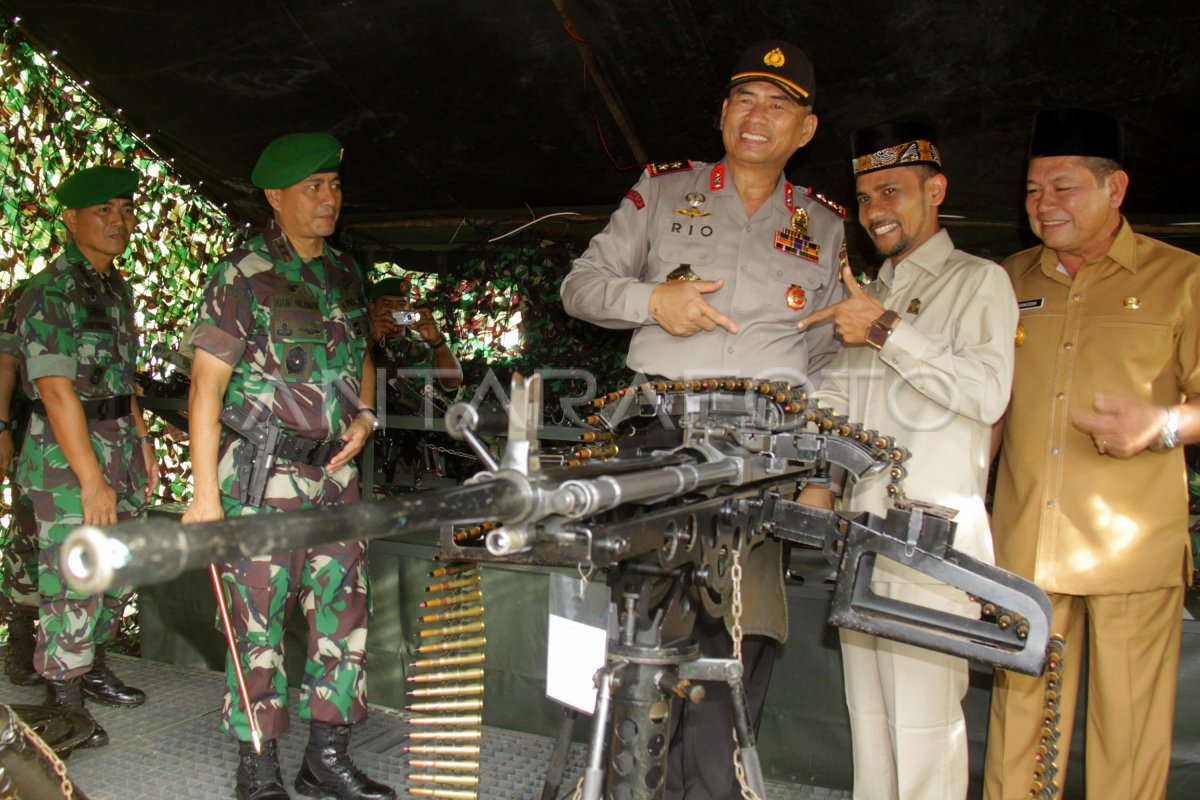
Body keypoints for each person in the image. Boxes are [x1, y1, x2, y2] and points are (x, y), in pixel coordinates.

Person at [561, 40, 846, 800]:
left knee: (737, 637)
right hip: (657, 434)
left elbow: (828, 360)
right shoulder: (662, 193)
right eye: (745, 100)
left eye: (778, 105)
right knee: (640, 626)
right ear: (723, 113)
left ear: (805, 128)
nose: (758, 118)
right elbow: (580, 285)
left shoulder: (823, 226)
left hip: (760, 451)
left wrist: (820, 473)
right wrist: (652, 302)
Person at [984, 109, 1200, 800]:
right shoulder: (1005, 281)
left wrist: (1162, 423)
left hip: (1130, 553)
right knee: (1017, 729)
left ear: (1117, 189)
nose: (1043, 204)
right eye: (1031, 190)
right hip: (1025, 547)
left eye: (1063, 187)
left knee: (1127, 739)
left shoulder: (1183, 278)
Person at [797, 122, 1017, 799]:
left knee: (924, 734)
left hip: (931, 544)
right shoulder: (866, 292)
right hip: (859, 539)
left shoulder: (979, 282)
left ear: (936, 189)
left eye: (891, 190)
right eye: (864, 198)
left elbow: (986, 393)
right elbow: (838, 408)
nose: (875, 211)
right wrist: (816, 476)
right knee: (871, 726)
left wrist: (885, 329)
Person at [182, 132, 394, 800]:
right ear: (276, 197)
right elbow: (204, 389)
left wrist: (365, 416)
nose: (329, 198)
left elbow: (359, 350)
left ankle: (325, 759)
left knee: (344, 616)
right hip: (262, 479)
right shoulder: (242, 276)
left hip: (333, 478)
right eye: (313, 187)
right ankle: (259, 769)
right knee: (257, 624)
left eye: (334, 185)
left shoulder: (343, 272)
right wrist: (204, 495)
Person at [12, 165, 160, 747]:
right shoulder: (50, 291)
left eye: (125, 208)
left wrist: (144, 445)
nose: (119, 220)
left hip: (118, 443)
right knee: (74, 576)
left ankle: (91, 664)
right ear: (70, 219)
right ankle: (65, 701)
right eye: (104, 210)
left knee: (118, 567)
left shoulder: (113, 287)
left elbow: (125, 382)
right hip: (66, 459)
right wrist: (91, 479)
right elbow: (54, 391)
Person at [0, 280, 41, 686]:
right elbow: (6, 363)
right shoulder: (34, 292)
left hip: (97, 432)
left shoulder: (109, 290)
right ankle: (21, 637)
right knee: (28, 536)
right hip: (35, 426)